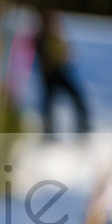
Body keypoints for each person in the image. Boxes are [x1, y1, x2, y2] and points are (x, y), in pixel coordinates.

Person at [34, 8, 91, 136]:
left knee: (76, 98)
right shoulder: (42, 37)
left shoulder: (57, 36)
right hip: (51, 76)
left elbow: (67, 54)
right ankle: (48, 131)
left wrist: (67, 56)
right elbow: (47, 57)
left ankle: (84, 126)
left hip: (62, 73)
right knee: (48, 105)